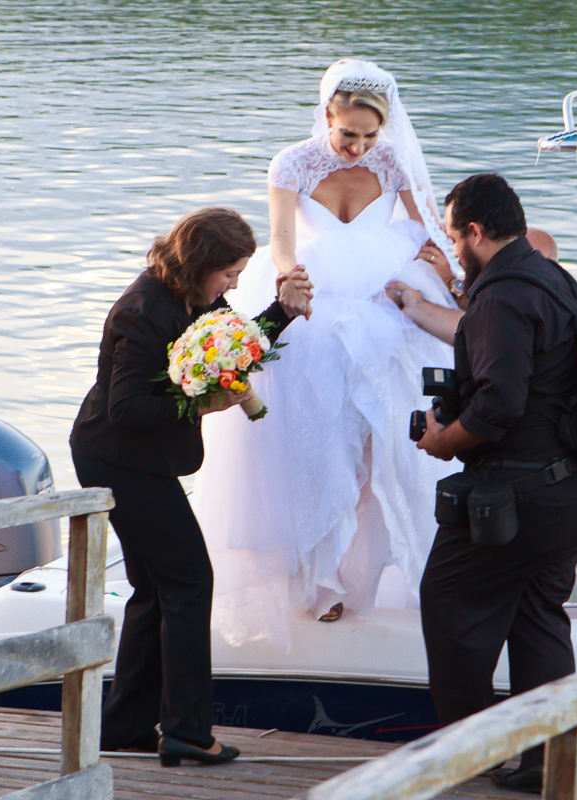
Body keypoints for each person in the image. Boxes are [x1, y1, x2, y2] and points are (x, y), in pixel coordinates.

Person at [192, 58, 457, 648]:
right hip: (315, 309)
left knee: (380, 443)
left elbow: (429, 230)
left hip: (382, 309)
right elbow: (283, 241)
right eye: (348, 134)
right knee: (316, 446)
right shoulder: (291, 164)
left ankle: (367, 571)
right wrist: (293, 282)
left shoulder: (392, 162)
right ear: (327, 116)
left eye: (370, 135)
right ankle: (321, 582)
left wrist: (449, 275)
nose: (358, 148)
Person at [69, 208, 312, 764]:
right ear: (201, 264)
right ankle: (187, 730)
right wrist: (203, 402)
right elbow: (125, 407)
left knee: (156, 590)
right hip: (116, 457)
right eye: (229, 275)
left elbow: (234, 347)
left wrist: (284, 311)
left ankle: (127, 726)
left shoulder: (195, 297)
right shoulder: (143, 311)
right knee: (189, 581)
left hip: (144, 459)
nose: (232, 286)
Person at [415, 174, 577, 793]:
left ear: (476, 232)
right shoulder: (553, 277)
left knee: (448, 601)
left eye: (454, 238)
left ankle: (473, 754)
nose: (453, 251)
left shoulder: (502, 296)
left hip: (526, 495)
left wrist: (442, 438)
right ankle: (547, 762)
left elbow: (500, 406)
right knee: (537, 616)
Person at [389, 226, 559, 346]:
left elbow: (478, 322)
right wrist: (448, 278)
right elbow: (472, 299)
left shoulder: (542, 309)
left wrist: (421, 304)